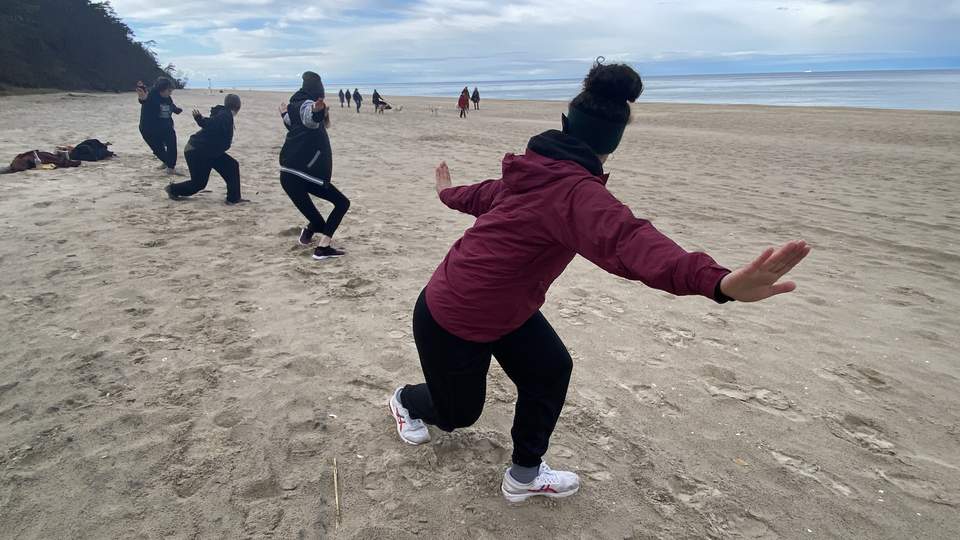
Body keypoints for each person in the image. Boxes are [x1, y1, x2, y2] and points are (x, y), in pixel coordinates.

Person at [387, 61, 811, 503]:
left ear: (566, 123)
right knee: (457, 414)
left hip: (506, 309)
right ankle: (405, 401)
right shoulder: (569, 190)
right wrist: (718, 283)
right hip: (454, 313)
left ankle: (525, 475)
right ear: (612, 144)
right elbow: (628, 240)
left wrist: (446, 194)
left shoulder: (538, 171)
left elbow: (489, 197)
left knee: (551, 370)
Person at [279, 72, 351, 260]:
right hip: (304, 175)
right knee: (342, 203)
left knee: (318, 222)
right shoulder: (306, 106)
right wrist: (317, 112)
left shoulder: (294, 107)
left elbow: (292, 122)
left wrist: (284, 113)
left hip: (288, 175)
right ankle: (322, 249)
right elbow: (310, 119)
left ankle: (307, 234)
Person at [164, 94, 246, 204]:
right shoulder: (225, 115)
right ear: (238, 107)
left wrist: (202, 120)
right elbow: (212, 123)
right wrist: (201, 120)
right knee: (198, 183)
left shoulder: (224, 114)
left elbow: (213, 124)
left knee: (232, 166)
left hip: (209, 151)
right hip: (197, 151)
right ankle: (172, 189)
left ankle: (233, 198)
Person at [137, 77, 182, 174]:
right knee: (158, 149)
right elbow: (143, 100)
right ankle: (167, 163)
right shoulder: (150, 95)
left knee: (172, 145)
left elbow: (170, 105)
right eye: (169, 91)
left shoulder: (167, 97)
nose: (170, 93)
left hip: (166, 126)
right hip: (149, 129)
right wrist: (142, 97)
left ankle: (170, 168)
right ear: (161, 89)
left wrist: (176, 110)